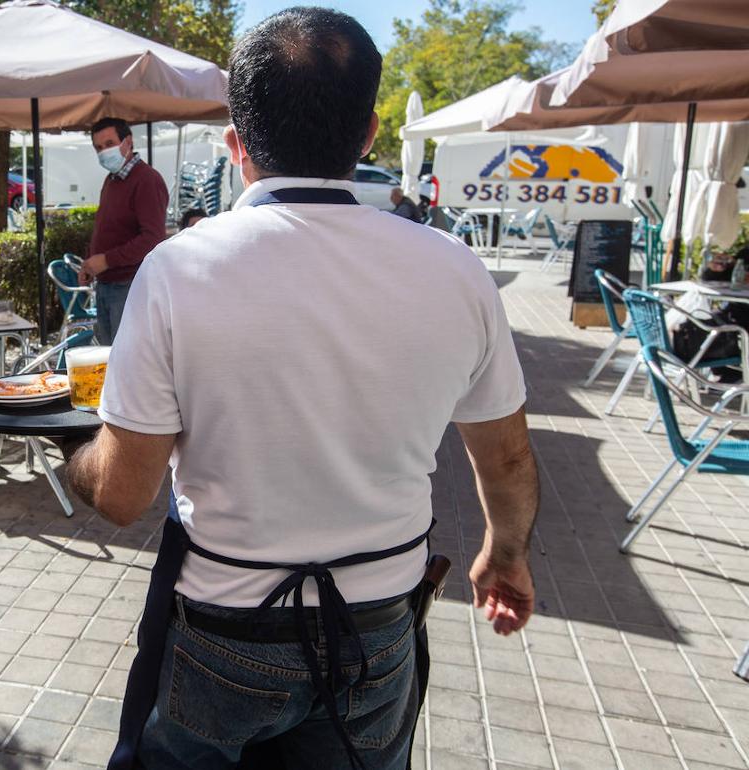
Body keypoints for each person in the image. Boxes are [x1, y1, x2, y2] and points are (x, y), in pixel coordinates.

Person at [65, 8, 538, 770]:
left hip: (225, 629)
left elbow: (121, 496)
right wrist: (504, 553)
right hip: (377, 630)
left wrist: (72, 456)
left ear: (235, 143)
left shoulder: (181, 270)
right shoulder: (456, 271)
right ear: (369, 133)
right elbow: (508, 460)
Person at [79, 117, 169, 344]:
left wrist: (107, 260)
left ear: (128, 142)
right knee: (109, 357)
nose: (104, 152)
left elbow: (152, 239)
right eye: (98, 148)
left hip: (129, 286)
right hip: (107, 284)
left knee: (127, 359)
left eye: (109, 144)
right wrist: (90, 262)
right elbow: (107, 227)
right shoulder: (112, 179)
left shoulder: (147, 179)